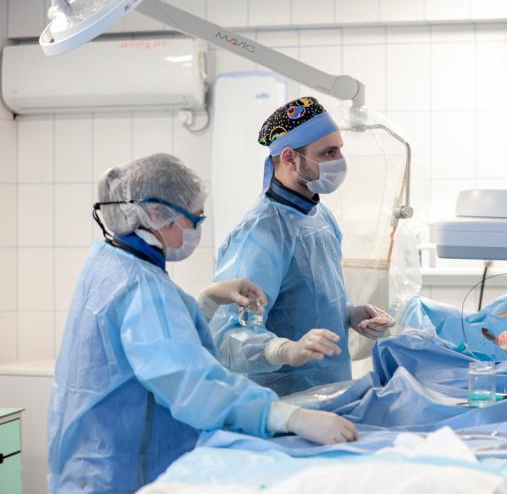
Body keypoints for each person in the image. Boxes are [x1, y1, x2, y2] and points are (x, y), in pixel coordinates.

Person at [48, 154, 357, 494]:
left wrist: (205, 303)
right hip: (122, 475)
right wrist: (287, 416)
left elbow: (152, 343)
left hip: (87, 463)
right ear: (156, 215)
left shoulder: (108, 262)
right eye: (194, 219)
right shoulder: (143, 288)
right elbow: (192, 384)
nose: (197, 228)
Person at [210, 96, 395, 396]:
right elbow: (227, 335)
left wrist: (350, 314)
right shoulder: (261, 234)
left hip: (330, 391)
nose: (340, 161)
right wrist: (284, 350)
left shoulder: (320, 217)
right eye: (328, 152)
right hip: (280, 401)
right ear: (289, 158)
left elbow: (306, 301)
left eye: (339, 150)